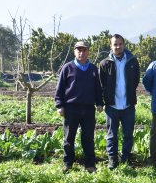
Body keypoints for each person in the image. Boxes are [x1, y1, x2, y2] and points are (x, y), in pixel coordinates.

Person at [55, 41, 104, 173]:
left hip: (88, 109)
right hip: (71, 108)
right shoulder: (67, 68)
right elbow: (59, 89)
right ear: (75, 52)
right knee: (69, 138)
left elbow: (98, 89)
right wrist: (59, 105)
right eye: (79, 50)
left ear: (88, 52)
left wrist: (100, 102)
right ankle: (68, 163)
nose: (81, 53)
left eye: (84, 50)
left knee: (88, 138)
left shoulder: (93, 69)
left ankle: (90, 165)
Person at [99, 34, 140, 169]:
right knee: (112, 135)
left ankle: (126, 159)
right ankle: (113, 160)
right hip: (112, 105)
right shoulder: (105, 63)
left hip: (128, 105)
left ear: (124, 44)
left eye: (120, 44)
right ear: (111, 46)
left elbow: (135, 81)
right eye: (115, 44)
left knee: (128, 134)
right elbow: (101, 84)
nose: (118, 47)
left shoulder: (132, 61)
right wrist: (104, 100)